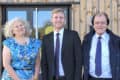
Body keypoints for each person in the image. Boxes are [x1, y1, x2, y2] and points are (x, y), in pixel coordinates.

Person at [41, 8, 82, 80]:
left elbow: (79, 60)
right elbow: (44, 62)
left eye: (61, 17)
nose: (58, 20)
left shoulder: (73, 35)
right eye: (56, 17)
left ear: (65, 20)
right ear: (52, 20)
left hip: (69, 77)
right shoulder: (46, 39)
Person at [82, 12, 120, 80]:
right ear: (93, 25)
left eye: (103, 23)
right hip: (91, 78)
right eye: (97, 23)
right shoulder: (86, 40)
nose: (100, 25)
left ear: (107, 24)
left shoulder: (116, 41)